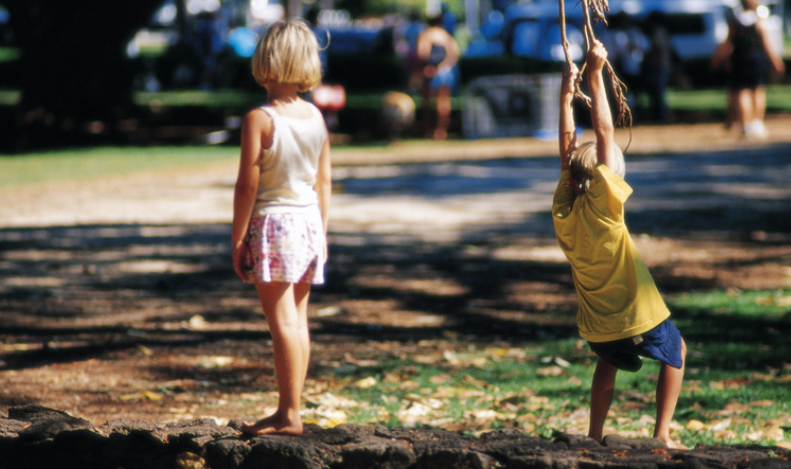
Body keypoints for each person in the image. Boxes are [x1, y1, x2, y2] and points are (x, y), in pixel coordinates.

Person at [552, 41, 687, 449]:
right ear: (603, 180)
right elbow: (604, 132)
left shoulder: (565, 211)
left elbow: (567, 152)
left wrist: (565, 96)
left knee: (606, 366)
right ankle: (662, 433)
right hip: (636, 311)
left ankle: (594, 434)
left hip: (598, 325)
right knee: (677, 349)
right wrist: (595, 76)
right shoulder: (606, 210)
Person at [231, 19, 332, 436]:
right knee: (298, 321)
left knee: (281, 323)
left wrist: (238, 238)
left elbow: (247, 184)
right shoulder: (315, 117)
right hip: (308, 222)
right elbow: (323, 180)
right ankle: (289, 408)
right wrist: (322, 234)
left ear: (264, 59)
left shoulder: (260, 119)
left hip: (273, 224)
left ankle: (289, 415)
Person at [711, 0, 785, 138]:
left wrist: (720, 59)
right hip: (756, 59)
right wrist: (776, 61)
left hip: (739, 59)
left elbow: (728, 43)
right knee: (757, 89)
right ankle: (757, 122)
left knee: (742, 91)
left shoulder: (735, 23)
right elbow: (767, 43)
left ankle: (746, 125)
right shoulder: (759, 21)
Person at [417, 14, 460, 140]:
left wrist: (431, 67)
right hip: (446, 71)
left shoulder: (426, 34)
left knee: (427, 103)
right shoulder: (446, 35)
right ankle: (441, 131)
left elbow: (422, 53)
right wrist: (444, 65)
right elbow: (454, 53)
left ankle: (428, 130)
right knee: (444, 102)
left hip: (431, 71)